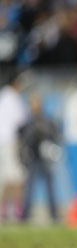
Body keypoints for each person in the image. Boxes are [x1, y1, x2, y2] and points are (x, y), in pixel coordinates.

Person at [19, 94, 62, 222]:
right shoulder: (28, 122)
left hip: (45, 159)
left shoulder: (47, 121)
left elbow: (55, 136)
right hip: (33, 158)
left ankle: (54, 215)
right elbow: (25, 140)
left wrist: (50, 148)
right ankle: (25, 215)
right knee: (29, 189)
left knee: (50, 188)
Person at [0, 72, 28, 222]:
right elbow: (21, 121)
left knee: (7, 176)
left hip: (3, 142)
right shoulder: (12, 98)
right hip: (10, 141)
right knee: (16, 177)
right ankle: (15, 210)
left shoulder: (3, 96)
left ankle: (6, 209)